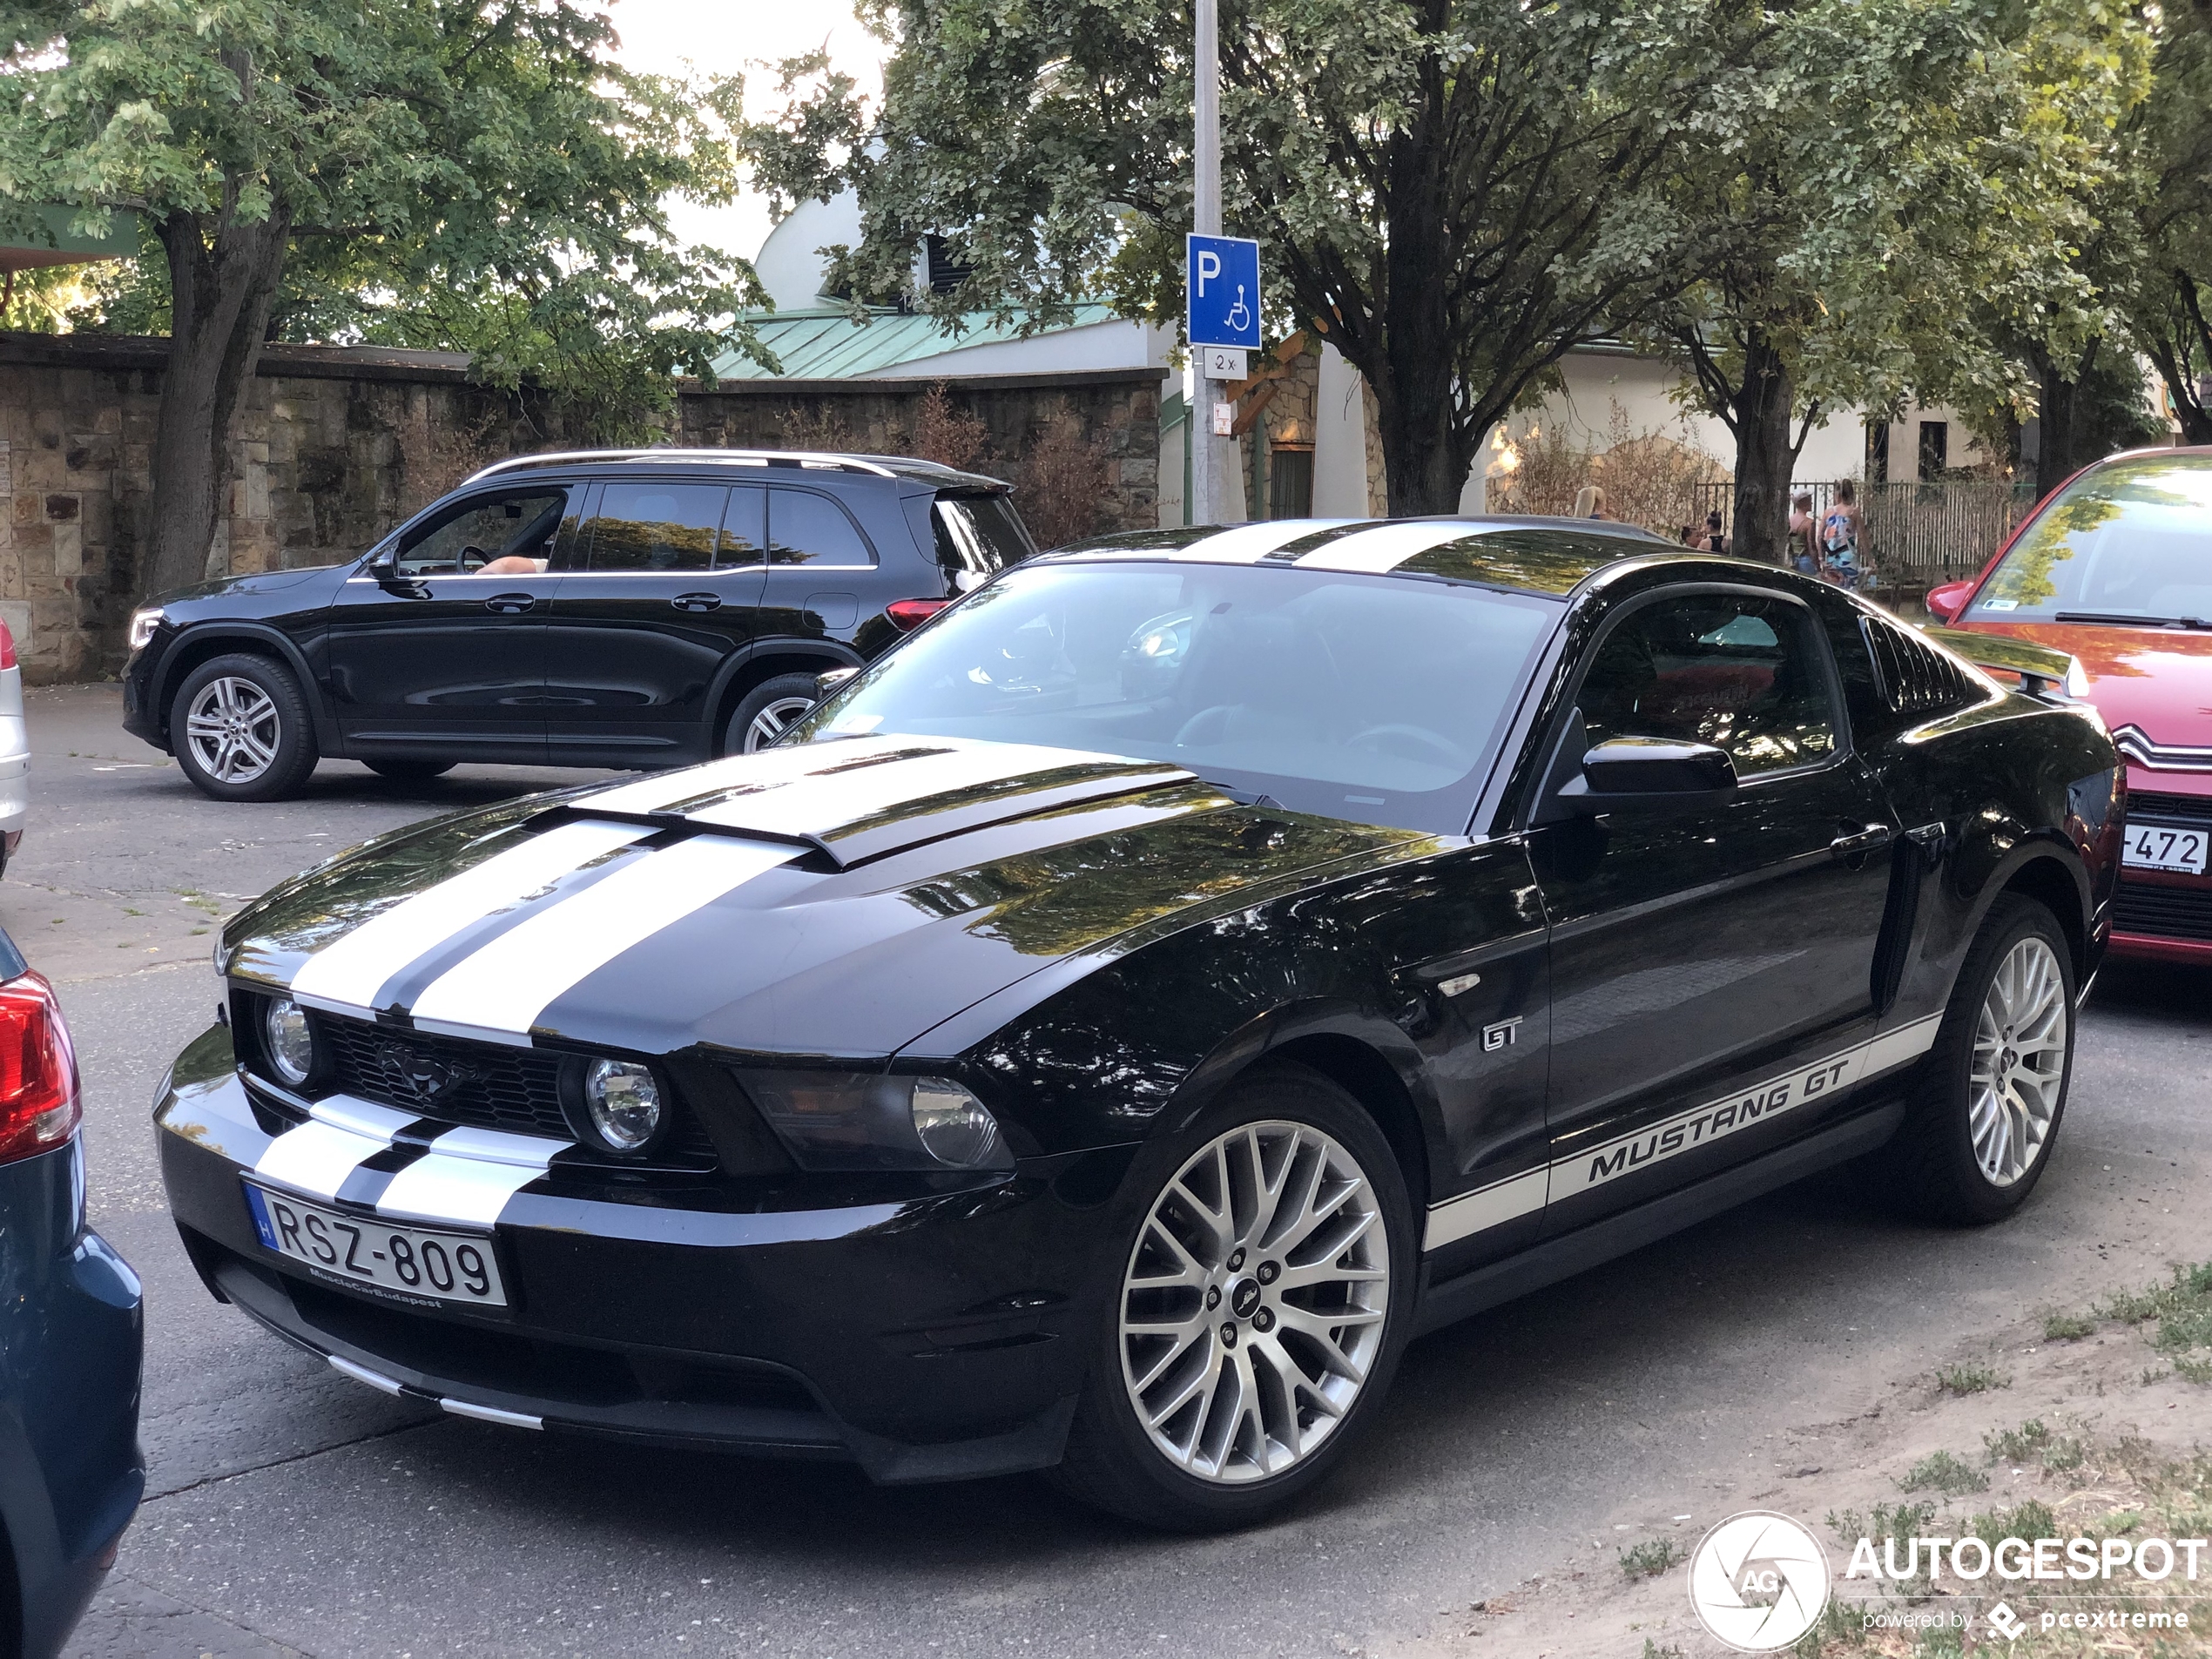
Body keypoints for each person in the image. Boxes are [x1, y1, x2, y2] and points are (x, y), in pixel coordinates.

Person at [1821, 481, 1864, 589]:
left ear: (1838, 494)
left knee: (1833, 590)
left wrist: (1821, 558)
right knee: (1851, 591)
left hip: (1831, 557)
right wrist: (1871, 559)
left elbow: (1819, 536)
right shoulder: (1854, 511)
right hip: (1848, 557)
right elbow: (1862, 536)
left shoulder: (1828, 512)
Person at [1786, 492, 1819, 575]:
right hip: (1806, 561)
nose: (1811, 503)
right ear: (1803, 503)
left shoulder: (1790, 520)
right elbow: (1812, 546)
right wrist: (1817, 565)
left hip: (1793, 560)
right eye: (1809, 501)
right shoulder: (1809, 523)